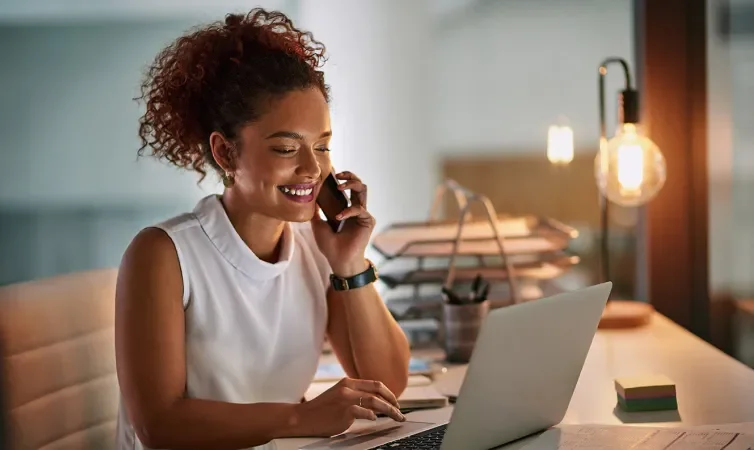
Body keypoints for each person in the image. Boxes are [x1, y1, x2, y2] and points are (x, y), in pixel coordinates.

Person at [114, 8, 411, 450]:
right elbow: (159, 425)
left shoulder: (316, 248)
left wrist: (350, 264)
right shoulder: (163, 253)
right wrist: (303, 417)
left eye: (323, 146)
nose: (313, 168)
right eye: (287, 148)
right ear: (226, 153)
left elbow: (386, 382)